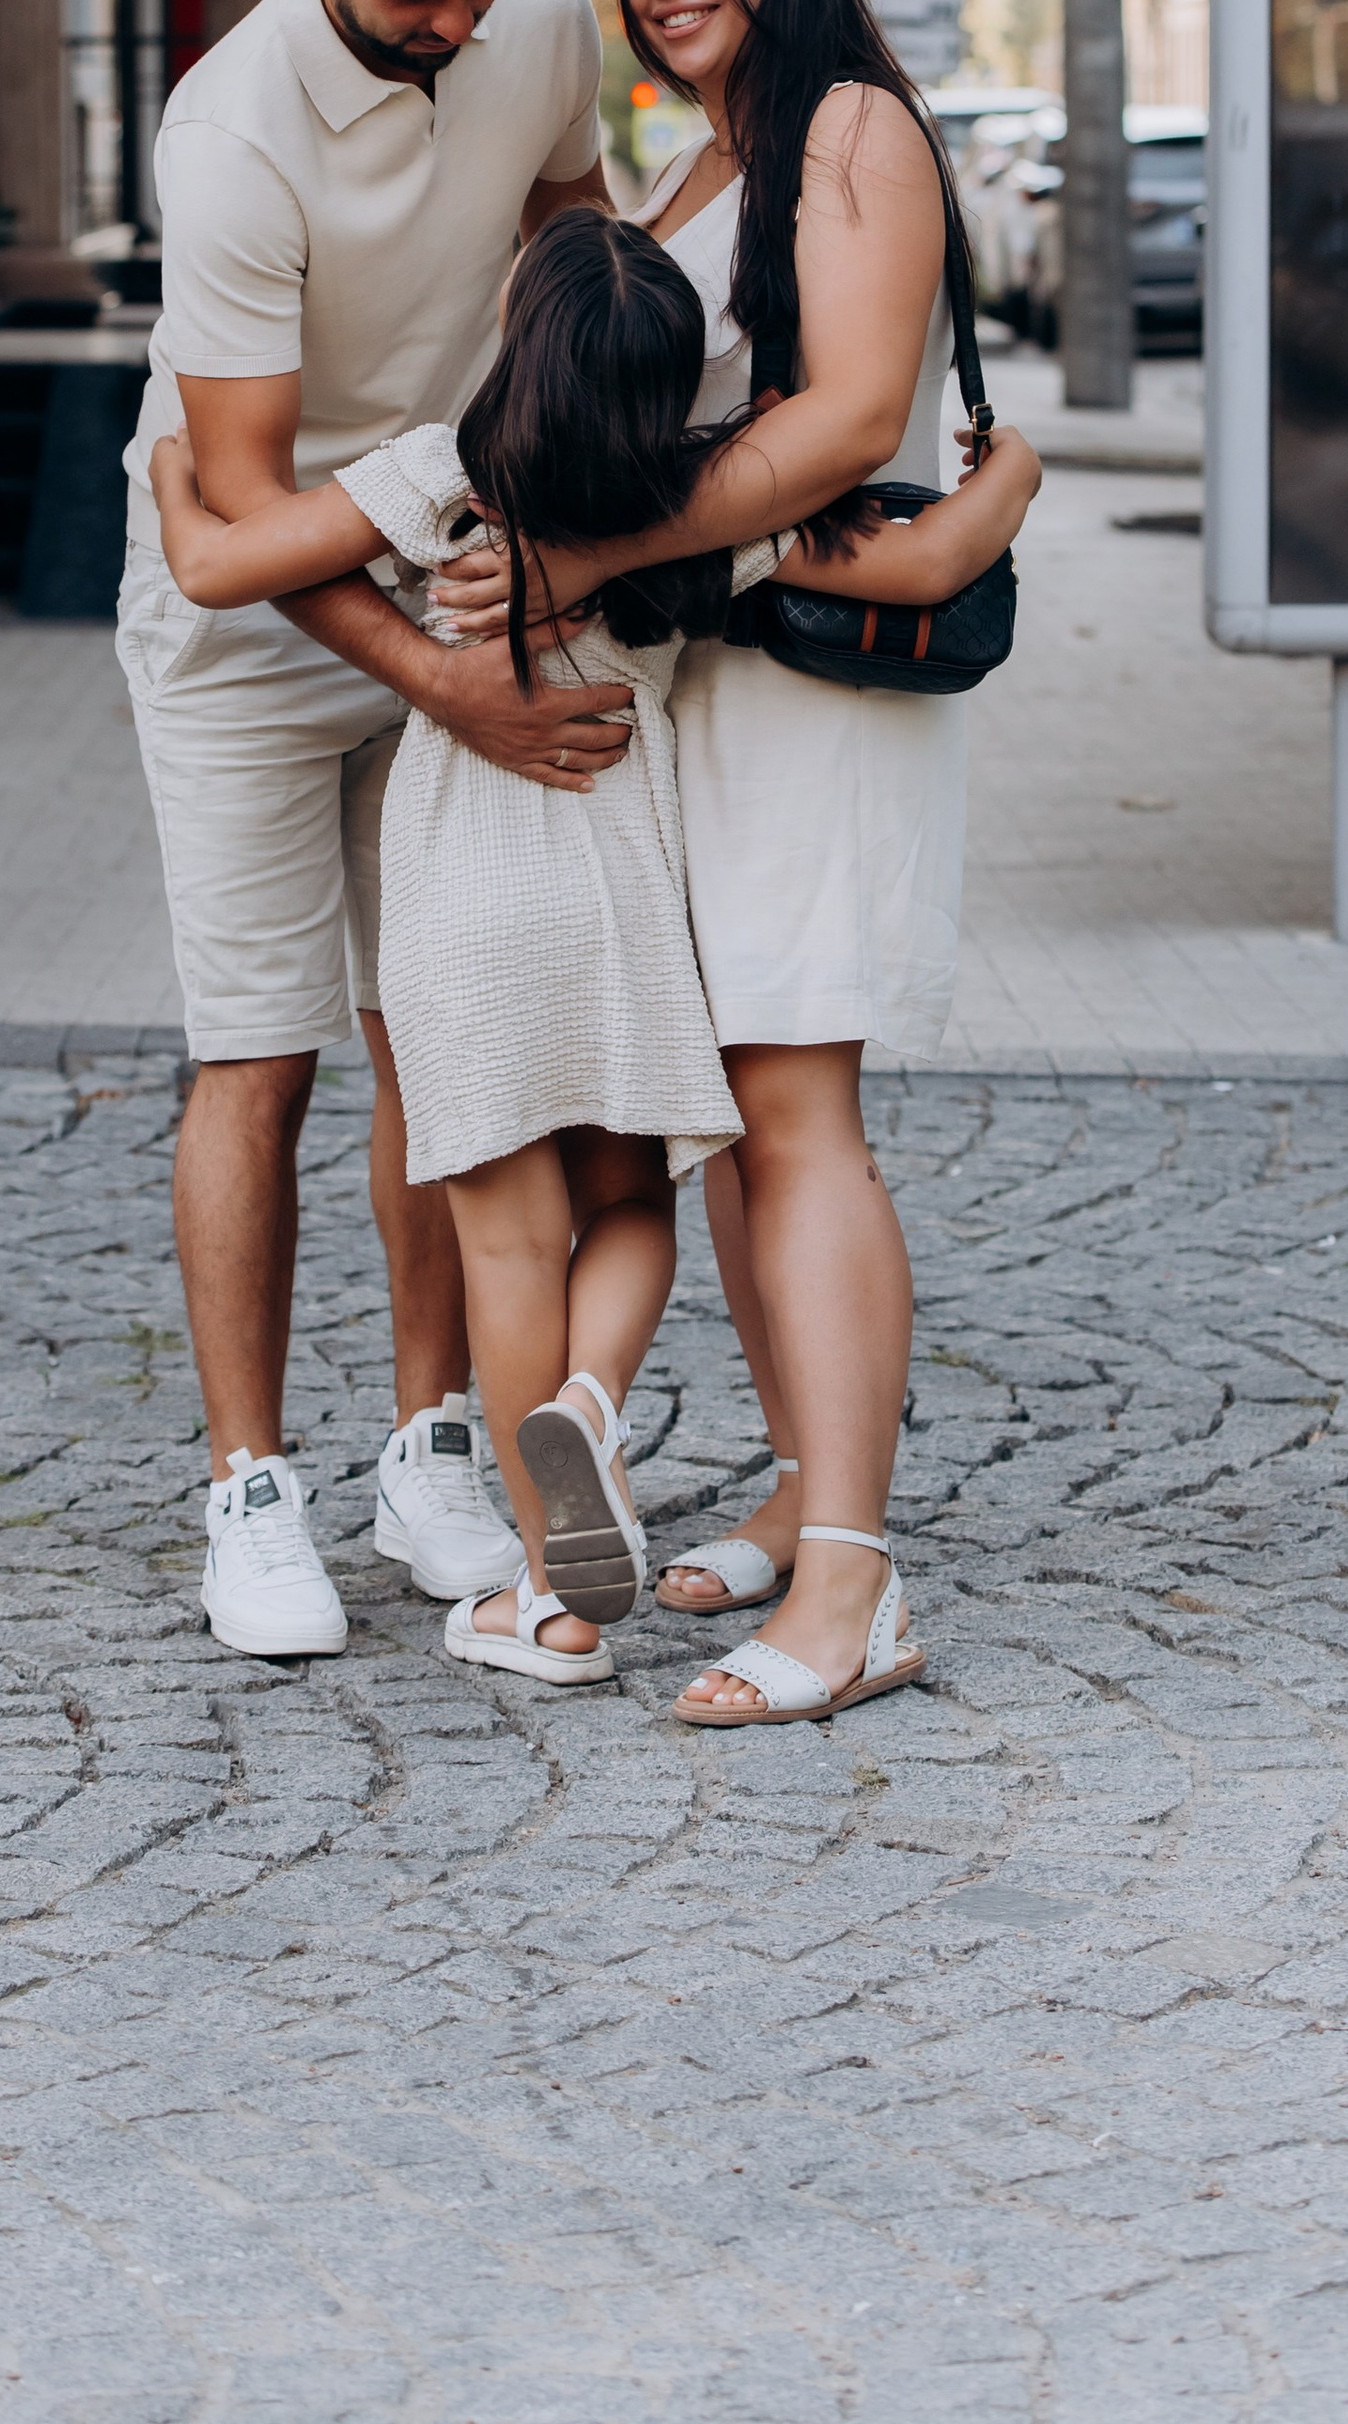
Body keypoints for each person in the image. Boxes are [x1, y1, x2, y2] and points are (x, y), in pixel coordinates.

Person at [152, 206, 1037, 1693]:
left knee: (507, 1239)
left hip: (463, 904)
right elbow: (932, 558)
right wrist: (1013, 466)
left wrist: (175, 476)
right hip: (627, 900)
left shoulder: (441, 474)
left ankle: (548, 1606)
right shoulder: (695, 502)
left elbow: (219, 565)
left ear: (519, 340)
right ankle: (591, 1403)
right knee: (629, 1202)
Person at [431, 0, 1017, 1725]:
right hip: (708, 694)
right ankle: (794, 1484)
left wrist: (581, 556)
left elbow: (846, 420)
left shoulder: (850, 128)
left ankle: (853, 1585)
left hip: (814, 704)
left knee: (798, 1114)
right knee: (746, 1126)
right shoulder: (703, 161)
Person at [116, 0, 633, 1660]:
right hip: (251, 615)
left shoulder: (538, 13)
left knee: (441, 1029)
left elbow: (572, 251)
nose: (458, 24)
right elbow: (242, 516)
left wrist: (530, 543)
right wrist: (441, 686)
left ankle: (430, 1448)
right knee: (259, 1055)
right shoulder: (229, 132)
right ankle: (250, 1489)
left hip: (454, 565)